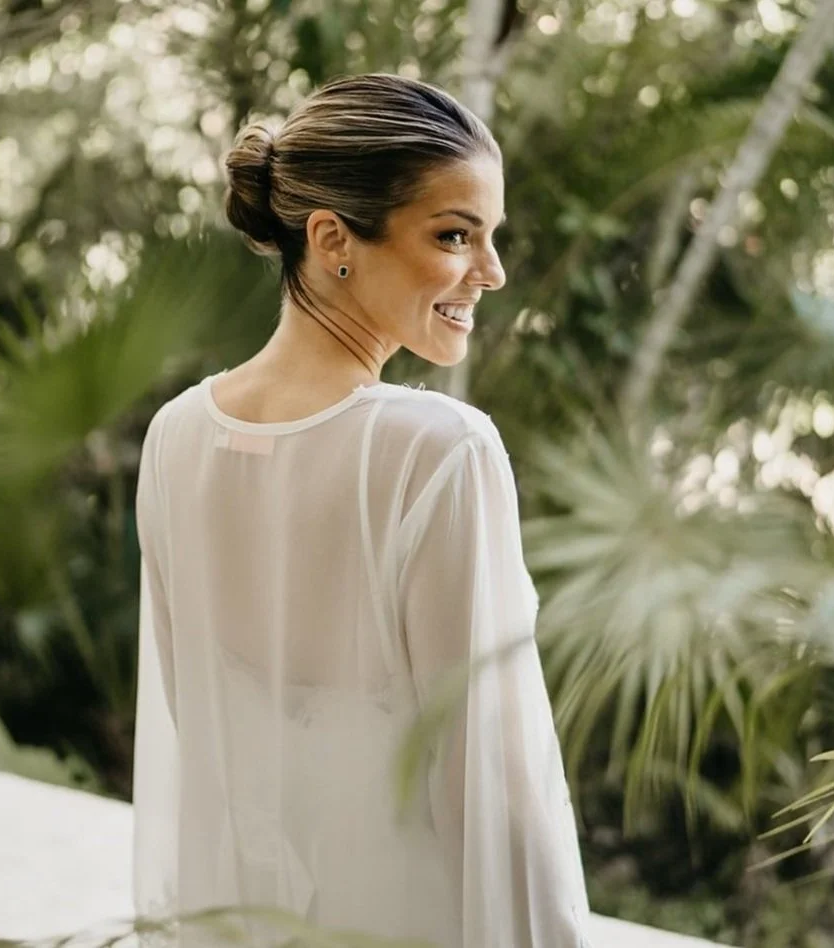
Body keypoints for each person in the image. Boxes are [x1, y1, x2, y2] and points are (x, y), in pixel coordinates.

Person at [130, 73, 591, 948]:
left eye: (492, 237)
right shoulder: (438, 454)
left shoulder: (175, 437)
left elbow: (207, 744)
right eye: (456, 235)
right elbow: (496, 792)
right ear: (334, 239)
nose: (491, 272)